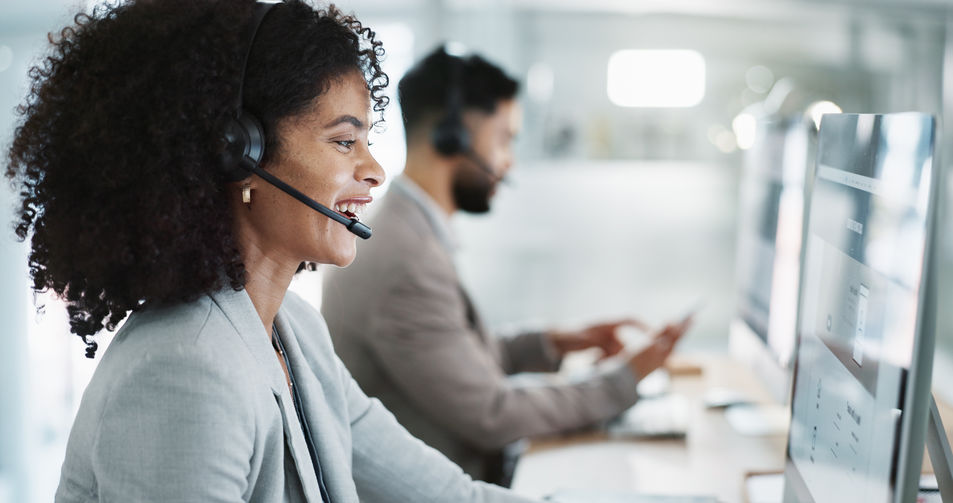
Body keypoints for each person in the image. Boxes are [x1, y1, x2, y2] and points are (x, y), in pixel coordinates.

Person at [6, 1, 540, 501]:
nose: (375, 169)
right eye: (343, 141)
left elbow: (449, 495)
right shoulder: (183, 370)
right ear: (239, 156)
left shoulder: (295, 331)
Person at [321, 47, 693, 485]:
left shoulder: (410, 229)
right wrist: (625, 378)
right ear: (452, 136)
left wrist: (556, 342)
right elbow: (492, 412)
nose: (509, 161)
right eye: (503, 139)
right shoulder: (403, 257)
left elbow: (459, 355)